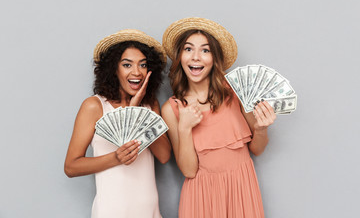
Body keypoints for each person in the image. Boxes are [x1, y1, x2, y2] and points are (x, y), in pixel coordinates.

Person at [161, 17, 276, 218]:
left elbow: (257, 149)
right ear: (180, 56)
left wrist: (261, 129)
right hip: (201, 197)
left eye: (205, 50)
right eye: (188, 49)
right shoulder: (172, 109)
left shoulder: (236, 91)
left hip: (241, 190)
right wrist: (185, 128)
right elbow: (188, 171)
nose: (196, 57)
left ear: (214, 59)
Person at [64, 29, 171, 218]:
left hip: (149, 211)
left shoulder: (150, 104)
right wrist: (116, 158)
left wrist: (136, 111)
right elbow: (71, 167)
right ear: (114, 69)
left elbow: (163, 156)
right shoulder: (94, 106)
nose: (136, 71)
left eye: (143, 64)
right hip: (112, 211)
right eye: (127, 64)